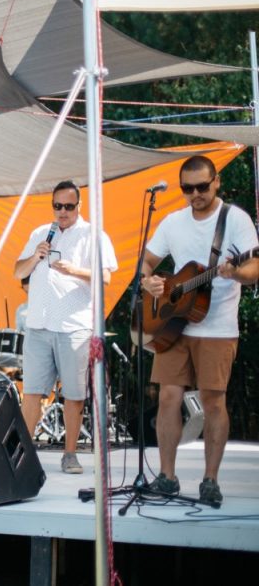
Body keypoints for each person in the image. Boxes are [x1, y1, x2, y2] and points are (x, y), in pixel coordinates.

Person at [140, 155, 258, 504]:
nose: (195, 194)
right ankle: (167, 476)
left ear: (216, 181)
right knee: (167, 397)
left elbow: (253, 269)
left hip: (218, 327)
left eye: (202, 187)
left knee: (212, 401)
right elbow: (147, 261)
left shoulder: (235, 219)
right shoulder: (173, 222)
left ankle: (210, 480)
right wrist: (148, 282)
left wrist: (235, 273)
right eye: (187, 189)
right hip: (173, 325)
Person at [14, 180, 117, 474]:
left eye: (68, 206)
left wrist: (74, 270)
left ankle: (69, 454)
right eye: (57, 206)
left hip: (74, 327)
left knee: (73, 394)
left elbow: (106, 277)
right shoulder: (40, 233)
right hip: (38, 325)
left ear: (79, 206)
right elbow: (17, 271)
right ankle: (23, 454)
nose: (62, 211)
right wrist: (35, 255)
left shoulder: (93, 235)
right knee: (32, 392)